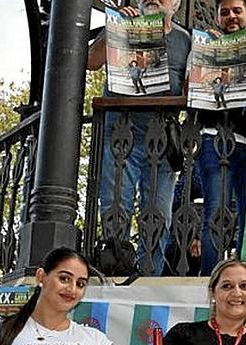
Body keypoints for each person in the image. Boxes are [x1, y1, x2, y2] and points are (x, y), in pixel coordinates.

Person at [87, 0, 191, 275]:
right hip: (121, 132)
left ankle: (149, 277)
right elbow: (91, 62)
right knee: (114, 204)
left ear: (176, 4)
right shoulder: (120, 26)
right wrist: (114, 29)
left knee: (159, 214)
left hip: (163, 138)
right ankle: (114, 269)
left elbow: (193, 88)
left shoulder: (185, 40)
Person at [196, 0, 246, 272]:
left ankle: (240, 278)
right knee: (216, 215)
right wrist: (209, 54)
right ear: (218, 17)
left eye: (237, 11)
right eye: (225, 12)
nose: (231, 16)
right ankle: (210, 278)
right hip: (213, 138)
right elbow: (190, 88)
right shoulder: (202, 45)